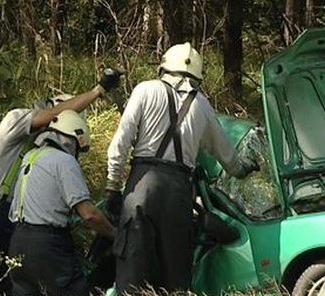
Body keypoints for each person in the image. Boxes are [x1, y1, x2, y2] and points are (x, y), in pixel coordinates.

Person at [105, 42, 259, 294]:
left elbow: (120, 143)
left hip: (141, 187)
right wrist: (245, 169)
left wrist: (112, 187)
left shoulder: (145, 90)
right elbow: (228, 158)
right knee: (176, 275)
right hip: (178, 195)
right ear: (197, 75)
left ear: (164, 67)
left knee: (132, 268)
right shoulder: (203, 106)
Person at [0, 68, 123, 294]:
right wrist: (98, 90)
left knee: (0, 283)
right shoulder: (15, 120)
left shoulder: (41, 151)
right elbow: (54, 114)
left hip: (13, 220)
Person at [8, 109, 116, 296]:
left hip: (18, 242)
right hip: (47, 246)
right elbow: (89, 214)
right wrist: (114, 233)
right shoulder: (64, 161)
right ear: (73, 139)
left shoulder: (31, 156)